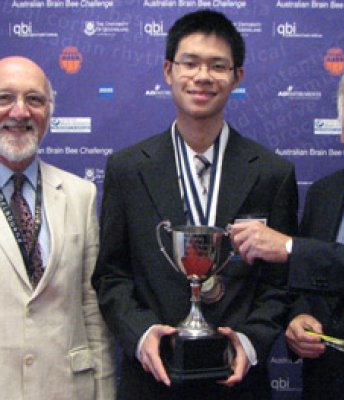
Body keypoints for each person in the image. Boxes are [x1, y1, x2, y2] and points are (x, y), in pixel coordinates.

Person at [92, 9, 298, 400]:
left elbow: (279, 285)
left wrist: (249, 341)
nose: (203, 76)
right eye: (190, 63)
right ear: (169, 70)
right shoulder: (127, 168)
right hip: (153, 379)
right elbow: (111, 276)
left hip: (238, 384)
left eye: (218, 66)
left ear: (237, 77)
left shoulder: (273, 172)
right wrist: (143, 334)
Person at [230, 57, 344, 399]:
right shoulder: (324, 192)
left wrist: (291, 248)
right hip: (325, 385)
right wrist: (298, 316)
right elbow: (308, 283)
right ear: (342, 127)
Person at [0, 56, 115, 399]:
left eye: (34, 100)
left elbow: (91, 308)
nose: (20, 112)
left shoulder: (80, 195)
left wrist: (105, 390)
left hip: (68, 389)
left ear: (49, 112)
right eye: (4, 98)